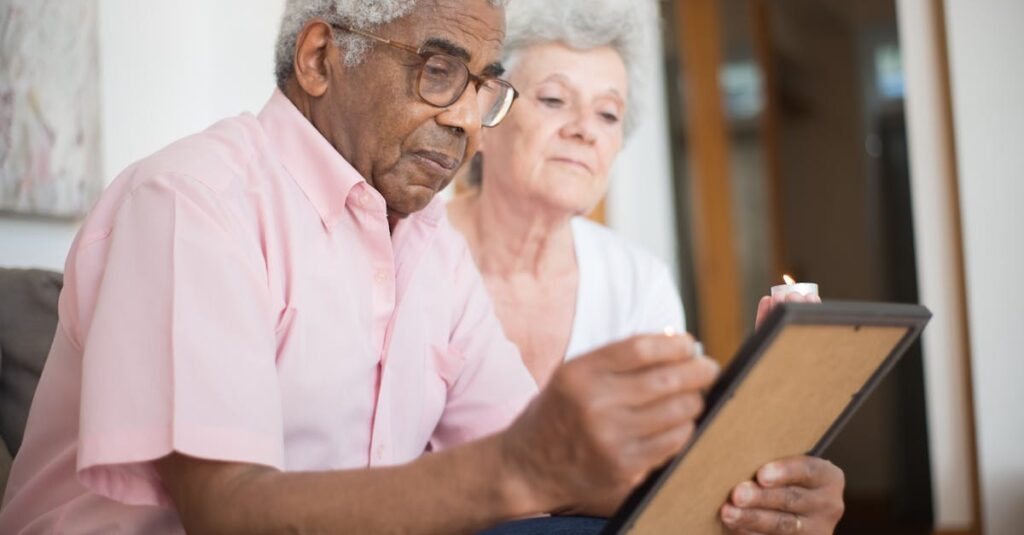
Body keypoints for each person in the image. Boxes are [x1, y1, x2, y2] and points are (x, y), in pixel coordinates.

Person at [0, 1, 720, 533]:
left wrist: (738, 491)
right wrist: (523, 468)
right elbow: (227, 511)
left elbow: (547, 457)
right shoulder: (195, 200)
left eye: (482, 86)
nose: (468, 119)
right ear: (319, 57)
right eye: (438, 72)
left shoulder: (432, 249)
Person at [447, 1, 846, 533]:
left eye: (608, 113)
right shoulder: (411, 250)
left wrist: (767, 474)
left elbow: (670, 476)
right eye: (553, 99)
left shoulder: (638, 279)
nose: (585, 130)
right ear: (487, 115)